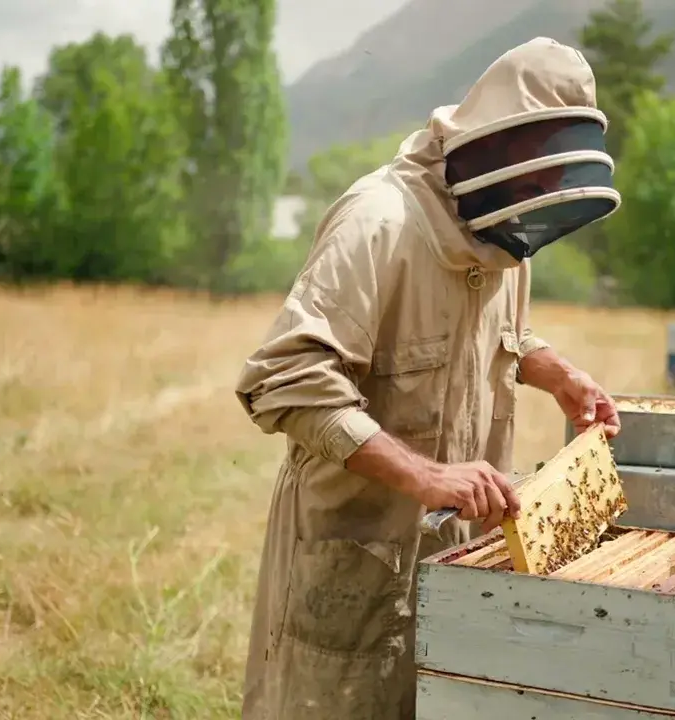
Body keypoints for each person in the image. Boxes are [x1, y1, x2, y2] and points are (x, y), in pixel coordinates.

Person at [234, 36, 624, 719]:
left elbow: (490, 338)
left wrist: (554, 371)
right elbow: (288, 377)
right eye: (535, 178)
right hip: (349, 561)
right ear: (498, 148)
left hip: (453, 564)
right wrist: (428, 477)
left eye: (550, 185)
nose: (540, 198)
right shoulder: (378, 222)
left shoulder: (504, 235)